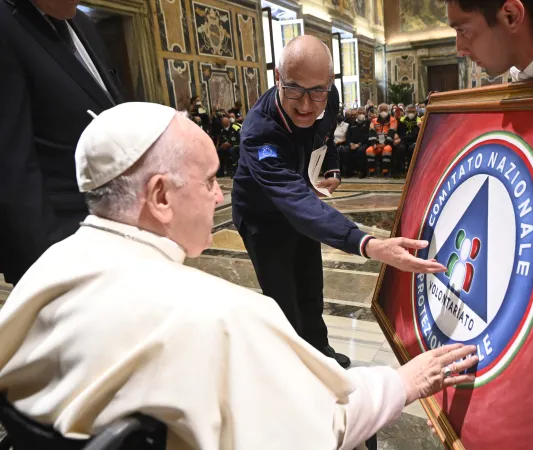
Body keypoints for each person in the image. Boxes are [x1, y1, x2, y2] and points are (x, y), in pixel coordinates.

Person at [0, 101, 480, 450]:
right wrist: (404, 382)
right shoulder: (221, 315)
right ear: (160, 197)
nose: (218, 197)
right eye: (210, 180)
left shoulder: (47, 267)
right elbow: (320, 430)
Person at [232, 35, 447, 370]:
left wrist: (330, 165)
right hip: (264, 216)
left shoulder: (326, 98)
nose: (306, 105)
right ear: (278, 77)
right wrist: (368, 243)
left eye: (316, 91)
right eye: (294, 90)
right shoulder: (259, 132)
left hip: (302, 203)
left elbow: (325, 134)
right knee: (283, 299)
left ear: (329, 84)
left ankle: (320, 352)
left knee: (310, 288)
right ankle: (298, 371)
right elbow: (294, 201)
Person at [0, 0, 124, 286]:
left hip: (113, 229)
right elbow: (11, 165)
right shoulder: (5, 25)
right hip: (60, 241)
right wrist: (48, 267)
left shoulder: (81, 22)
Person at [366, 103, 399, 178]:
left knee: (387, 150)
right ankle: (372, 172)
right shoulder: (374, 121)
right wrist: (374, 144)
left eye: (385, 110)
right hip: (377, 143)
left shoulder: (393, 120)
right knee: (369, 150)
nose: (383, 111)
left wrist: (385, 143)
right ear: (378, 111)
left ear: (388, 110)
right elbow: (371, 132)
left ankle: (385, 172)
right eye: (381, 110)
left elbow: (392, 132)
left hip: (388, 143)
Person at [217, 113, 241, 177]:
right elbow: (222, 140)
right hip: (227, 147)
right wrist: (223, 145)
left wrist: (231, 144)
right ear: (222, 123)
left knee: (232, 151)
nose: (227, 122)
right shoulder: (222, 131)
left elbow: (239, 139)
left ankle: (235, 170)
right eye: (225, 122)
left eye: (227, 121)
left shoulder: (235, 127)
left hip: (236, 146)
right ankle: (221, 171)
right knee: (219, 151)